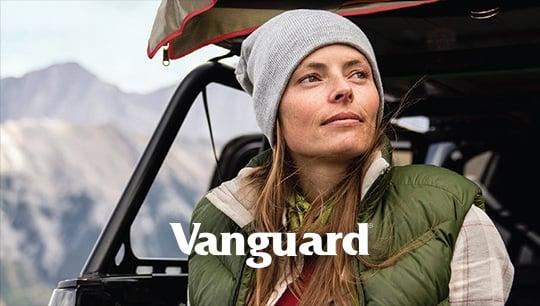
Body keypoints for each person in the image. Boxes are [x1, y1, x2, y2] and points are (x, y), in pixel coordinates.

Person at [187, 9, 514, 306]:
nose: (345, 89)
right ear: (273, 111)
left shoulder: (451, 209)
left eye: (358, 74)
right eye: (311, 77)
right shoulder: (219, 219)